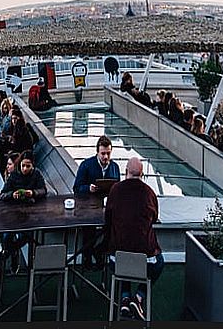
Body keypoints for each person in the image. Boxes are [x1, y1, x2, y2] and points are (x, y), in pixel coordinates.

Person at [105, 157, 163, 321]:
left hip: (118, 258)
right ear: (142, 174)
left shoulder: (115, 190)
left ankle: (124, 298)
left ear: (126, 172)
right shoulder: (149, 193)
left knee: (123, 257)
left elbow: (108, 218)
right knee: (159, 263)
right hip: (144, 258)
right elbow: (154, 217)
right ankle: (138, 297)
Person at [73, 136, 120, 268]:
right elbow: (76, 187)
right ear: (97, 152)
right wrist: (88, 188)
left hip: (107, 207)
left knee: (112, 228)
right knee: (89, 230)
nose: (106, 157)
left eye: (108, 153)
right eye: (103, 153)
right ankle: (87, 258)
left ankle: (99, 252)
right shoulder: (86, 165)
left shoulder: (115, 167)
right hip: (89, 207)